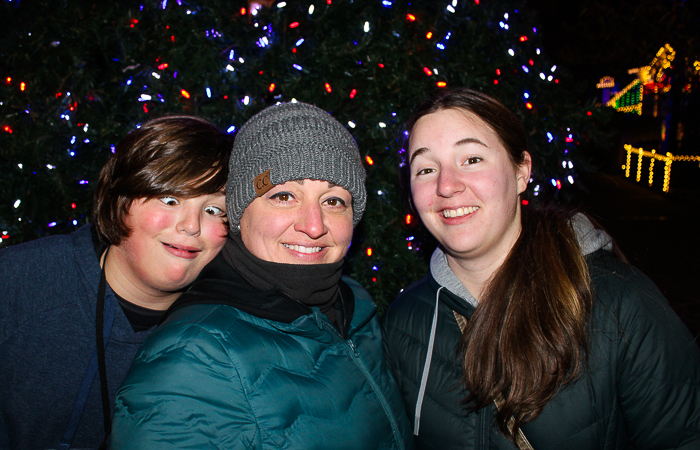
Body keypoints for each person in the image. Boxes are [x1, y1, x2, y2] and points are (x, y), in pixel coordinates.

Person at [382, 88, 700, 449]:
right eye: (426, 168)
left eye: (471, 159)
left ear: (522, 172)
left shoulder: (618, 303)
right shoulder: (403, 321)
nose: (446, 185)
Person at [111, 102, 413, 450]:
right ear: (238, 214)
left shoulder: (357, 307)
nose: (314, 226)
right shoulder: (194, 359)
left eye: (333, 201)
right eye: (284, 196)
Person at [0, 116, 232, 449]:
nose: (191, 226)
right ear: (119, 202)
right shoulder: (20, 282)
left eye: (213, 209)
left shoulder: (221, 334)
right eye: (170, 200)